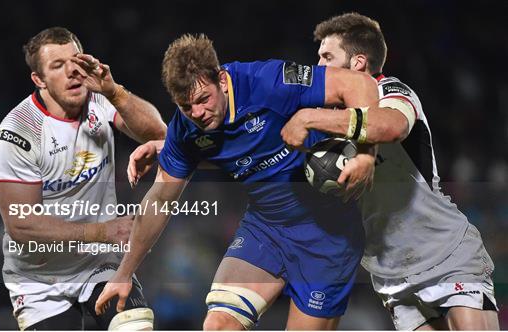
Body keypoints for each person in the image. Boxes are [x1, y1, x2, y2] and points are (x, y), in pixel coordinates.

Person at [95, 33, 382, 330]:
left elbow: (360, 85)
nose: (198, 114)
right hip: (266, 229)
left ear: (221, 79)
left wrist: (365, 154)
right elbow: (159, 200)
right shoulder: (186, 130)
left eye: (203, 99)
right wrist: (124, 273)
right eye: (185, 107)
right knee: (218, 325)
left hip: (327, 235)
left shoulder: (268, 82)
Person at [280, 13, 499, 330]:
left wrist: (308, 117)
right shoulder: (331, 119)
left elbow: (391, 126)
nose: (318, 67)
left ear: (357, 63)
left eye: (327, 57)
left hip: (444, 253)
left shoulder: (391, 91)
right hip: (390, 273)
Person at [0, 27, 166, 330]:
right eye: (58, 66)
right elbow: (20, 224)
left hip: (100, 262)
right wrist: (102, 232)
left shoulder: (98, 99)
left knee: (134, 324)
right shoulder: (17, 135)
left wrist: (115, 91)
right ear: (39, 80)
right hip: (40, 280)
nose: (72, 72)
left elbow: (157, 133)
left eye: (76, 61)